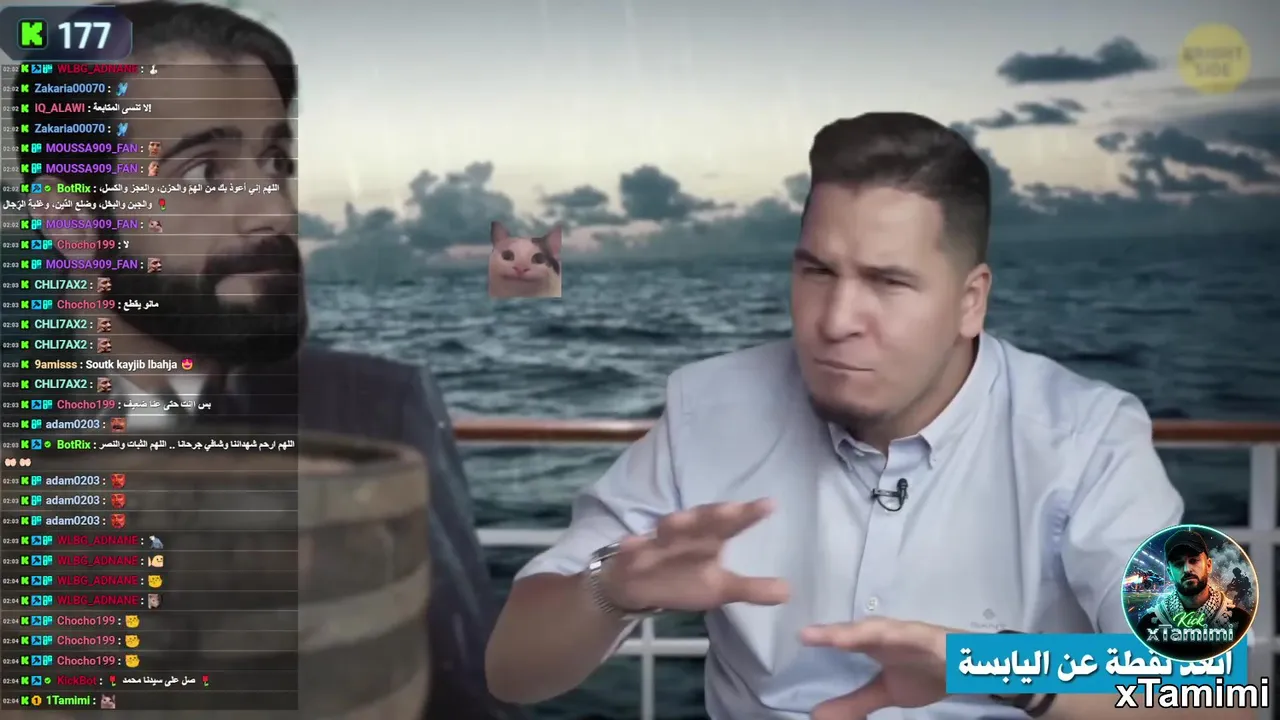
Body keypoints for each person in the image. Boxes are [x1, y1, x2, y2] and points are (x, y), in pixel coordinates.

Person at [486, 113, 1244, 720]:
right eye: (817, 271)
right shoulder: (704, 407)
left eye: (887, 281)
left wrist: (989, 665)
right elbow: (510, 672)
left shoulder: (1091, 436)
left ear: (970, 301)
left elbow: (1215, 688)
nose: (836, 319)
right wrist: (612, 591)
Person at [16, 3, 522, 718]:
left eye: (276, 162)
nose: (274, 211)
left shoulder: (373, 408)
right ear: (70, 222)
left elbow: (466, 695)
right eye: (204, 174)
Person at [1135, 530, 1252, 660]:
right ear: (1170, 573)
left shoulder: (1239, 622)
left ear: (1208, 565)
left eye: (1194, 560)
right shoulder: (1148, 626)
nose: (1187, 569)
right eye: (1178, 564)